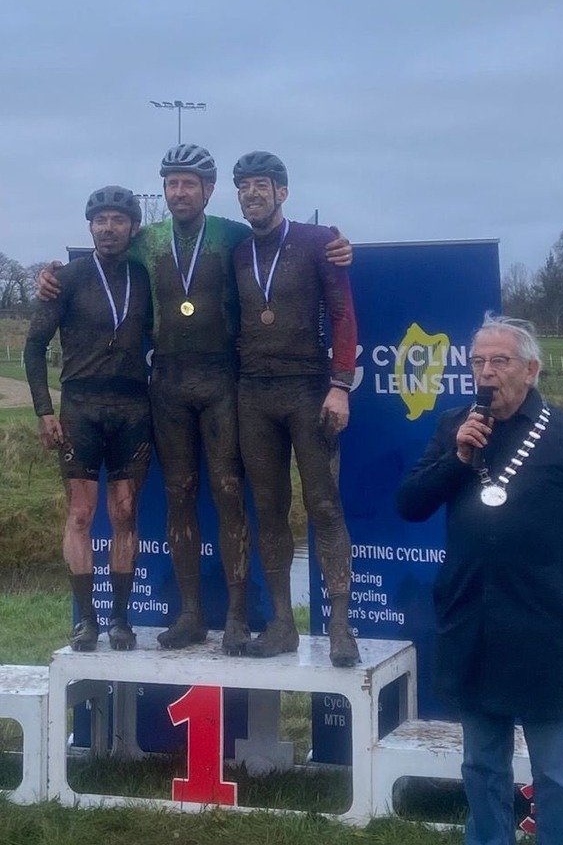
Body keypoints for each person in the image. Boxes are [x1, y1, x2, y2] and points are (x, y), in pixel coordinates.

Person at [39, 145, 350, 652]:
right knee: (180, 495)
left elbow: (286, 244)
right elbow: (105, 255)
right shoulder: (146, 240)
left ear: (208, 190)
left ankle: (234, 616)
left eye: (190, 183)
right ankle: (189, 615)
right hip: (168, 382)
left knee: (231, 493)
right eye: (171, 184)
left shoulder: (232, 234)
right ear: (162, 190)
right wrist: (51, 273)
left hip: (223, 378)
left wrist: (338, 247)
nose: (180, 192)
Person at [396, 315, 563, 845]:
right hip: (471, 614)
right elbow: (410, 504)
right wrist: (458, 458)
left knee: (553, 764)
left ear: (531, 369)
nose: (486, 373)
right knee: (481, 759)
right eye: (477, 362)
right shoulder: (455, 428)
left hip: (541, 618)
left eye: (499, 362)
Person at [230, 152, 360, 666]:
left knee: (324, 505)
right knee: (268, 509)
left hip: (309, 389)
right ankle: (282, 624)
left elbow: (344, 313)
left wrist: (340, 384)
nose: (252, 194)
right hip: (253, 393)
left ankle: (340, 627)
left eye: (261, 185)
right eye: (243, 187)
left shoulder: (318, 241)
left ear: (283, 192)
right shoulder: (237, 252)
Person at [23, 186, 152, 652]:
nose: (109, 228)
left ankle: (120, 618)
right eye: (100, 220)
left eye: (119, 220)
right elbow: (33, 346)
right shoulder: (66, 279)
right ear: (90, 227)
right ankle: (87, 621)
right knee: (80, 514)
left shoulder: (147, 276)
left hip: (134, 408)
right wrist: (43, 410)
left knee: (124, 512)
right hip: (80, 408)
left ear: (133, 227)